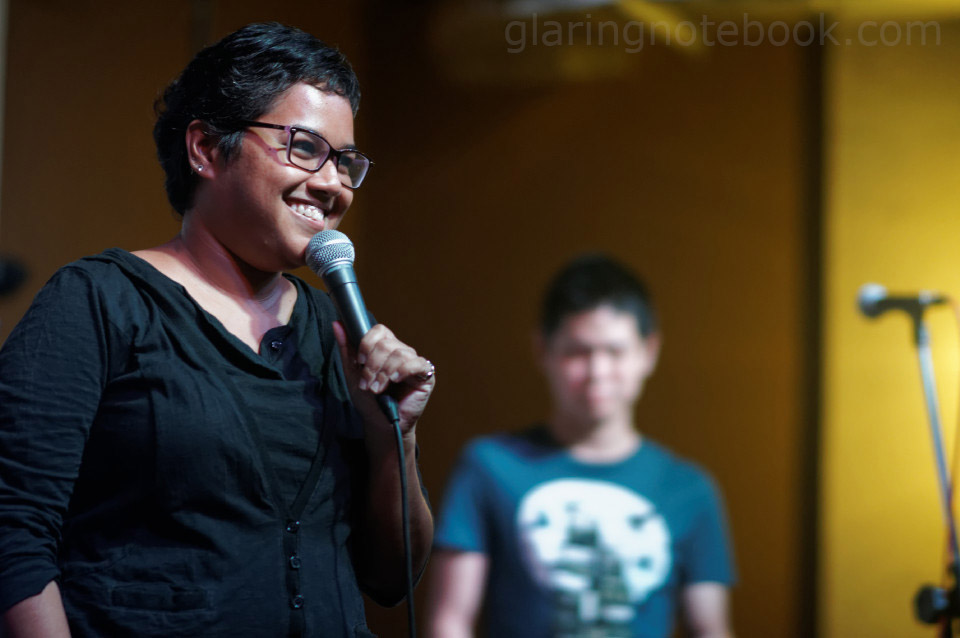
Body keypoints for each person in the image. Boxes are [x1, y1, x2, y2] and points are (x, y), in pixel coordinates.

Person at [0, 22, 434, 637]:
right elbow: (13, 533)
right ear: (205, 148)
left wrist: (395, 438)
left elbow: (391, 579)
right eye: (305, 147)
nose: (332, 183)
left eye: (345, 162)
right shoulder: (100, 302)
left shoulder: (337, 332)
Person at [426, 254, 735, 638]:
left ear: (648, 352)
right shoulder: (489, 466)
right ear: (543, 350)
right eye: (578, 352)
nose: (597, 372)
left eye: (615, 352)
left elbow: (711, 628)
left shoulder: (690, 489)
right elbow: (449, 621)